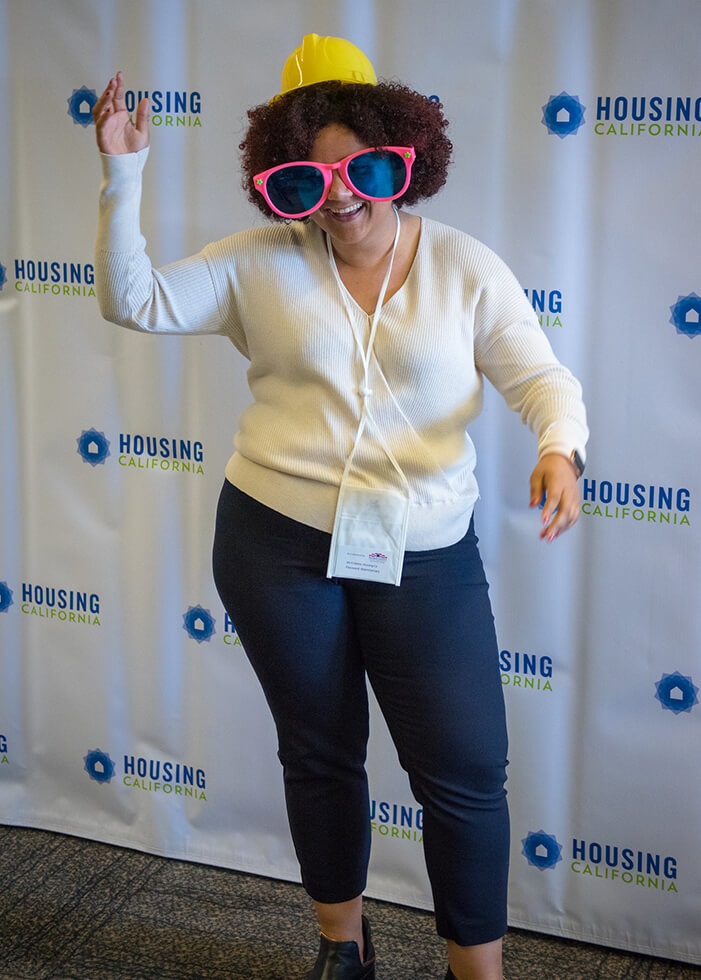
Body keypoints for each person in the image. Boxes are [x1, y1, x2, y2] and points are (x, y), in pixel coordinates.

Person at [93, 33, 587, 980]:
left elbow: (539, 376)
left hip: (424, 550)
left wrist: (559, 447)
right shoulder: (256, 264)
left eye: (362, 164)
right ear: (281, 180)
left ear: (403, 154)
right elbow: (134, 300)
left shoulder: (462, 267)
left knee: (466, 774)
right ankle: (341, 949)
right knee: (319, 755)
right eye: (308, 176)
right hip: (274, 542)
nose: (342, 192)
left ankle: (473, 975)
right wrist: (125, 173)